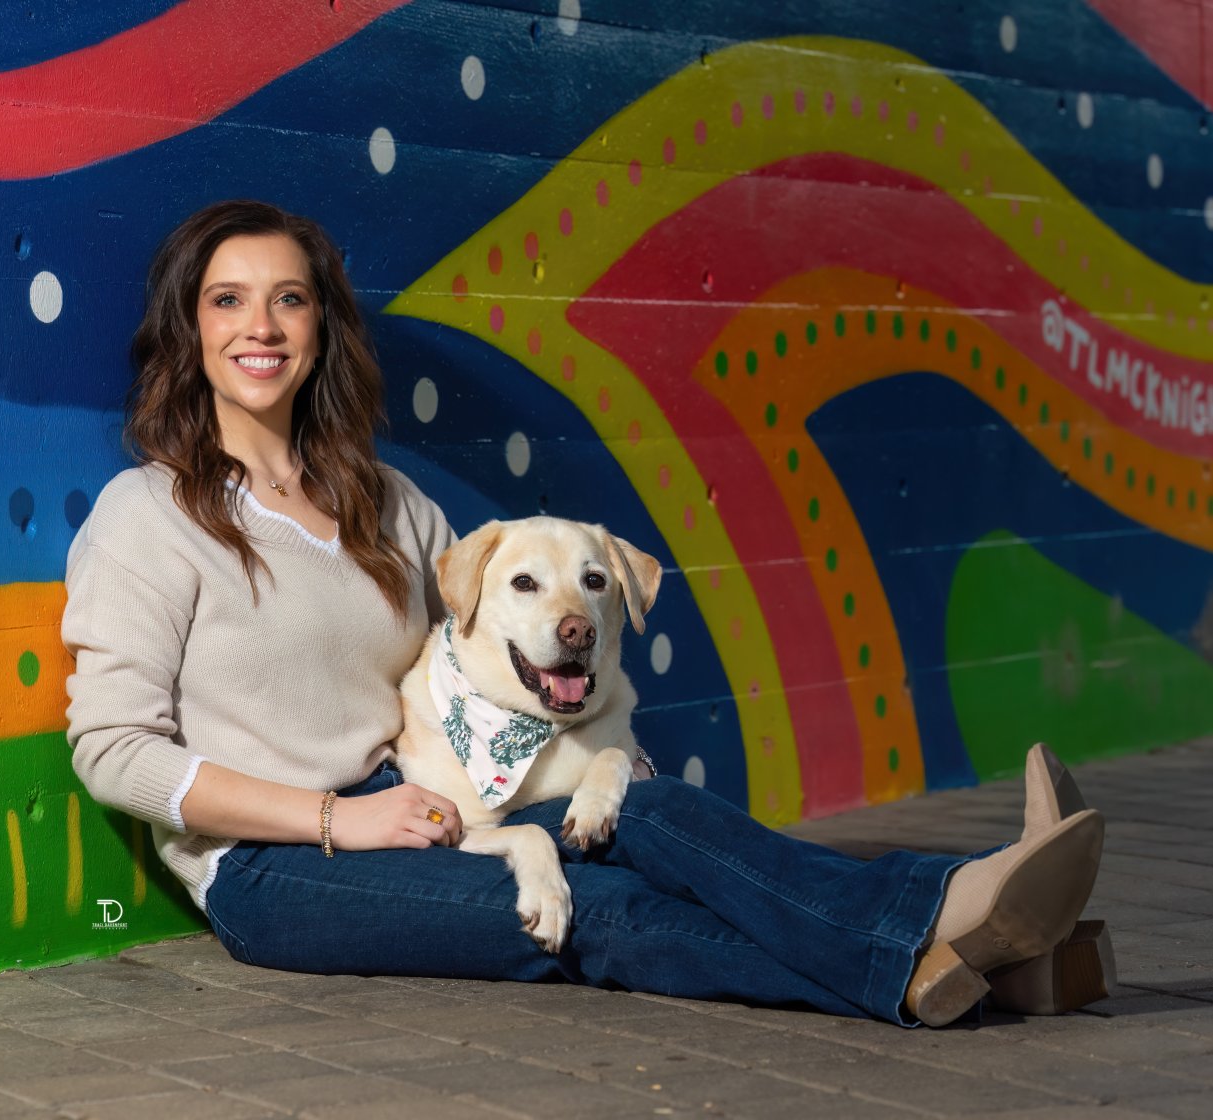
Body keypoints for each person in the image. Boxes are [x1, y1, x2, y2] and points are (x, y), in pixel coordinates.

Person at [62, 199, 1108, 1028]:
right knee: (595, 912)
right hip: (276, 868)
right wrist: (338, 818)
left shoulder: (390, 507)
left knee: (648, 811)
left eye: (288, 299)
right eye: (228, 300)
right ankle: (958, 923)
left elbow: (485, 658)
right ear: (189, 328)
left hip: (428, 806)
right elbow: (113, 752)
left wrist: (593, 749)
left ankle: (958, 946)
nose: (260, 326)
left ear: (320, 327)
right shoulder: (148, 516)